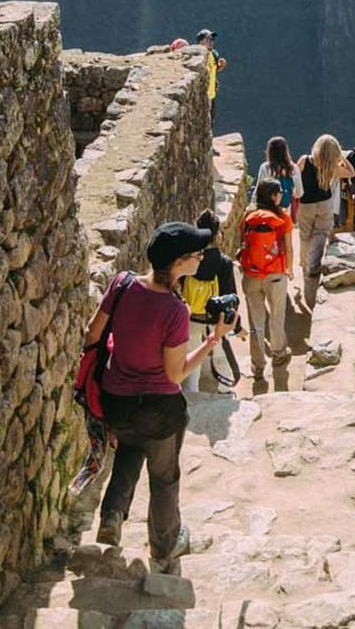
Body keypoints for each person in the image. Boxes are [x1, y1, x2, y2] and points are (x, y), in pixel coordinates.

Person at [84, 222, 235, 570]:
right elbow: (174, 373)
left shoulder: (121, 284)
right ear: (179, 262)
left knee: (129, 448)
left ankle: (111, 516)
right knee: (165, 476)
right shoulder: (174, 311)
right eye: (196, 254)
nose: (201, 258)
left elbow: (92, 333)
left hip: (116, 401)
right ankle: (165, 547)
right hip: (159, 409)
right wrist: (213, 340)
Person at [240, 179, 295, 389]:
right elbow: (288, 247)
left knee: (255, 322)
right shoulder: (282, 218)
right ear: (273, 196)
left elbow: (242, 243)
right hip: (275, 275)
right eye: (279, 192)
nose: (281, 195)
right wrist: (288, 269)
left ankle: (258, 365)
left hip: (252, 274)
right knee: (276, 315)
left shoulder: (248, 216)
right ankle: (279, 353)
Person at [180, 209, 238, 393]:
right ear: (217, 232)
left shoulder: (188, 258)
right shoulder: (224, 262)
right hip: (216, 321)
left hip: (191, 317)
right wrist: (236, 325)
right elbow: (231, 296)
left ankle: (192, 396)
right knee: (221, 358)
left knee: (192, 360)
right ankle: (225, 392)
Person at [296, 134, 355, 307]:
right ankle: (313, 267)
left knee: (304, 235)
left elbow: (295, 179)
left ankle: (304, 263)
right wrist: (341, 156)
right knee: (321, 234)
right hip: (325, 204)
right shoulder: (332, 167)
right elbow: (351, 172)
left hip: (306, 205)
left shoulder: (305, 160)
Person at [256, 136, 303, 220]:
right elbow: (299, 193)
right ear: (286, 151)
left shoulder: (265, 168)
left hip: (267, 210)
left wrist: (252, 207)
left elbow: (258, 190)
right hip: (285, 210)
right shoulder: (293, 168)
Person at [196, 29, 226, 125]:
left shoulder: (214, 54)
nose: (211, 42)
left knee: (210, 122)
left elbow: (213, 69)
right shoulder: (198, 56)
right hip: (203, 96)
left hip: (212, 94)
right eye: (208, 39)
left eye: (212, 39)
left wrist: (221, 67)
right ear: (200, 42)